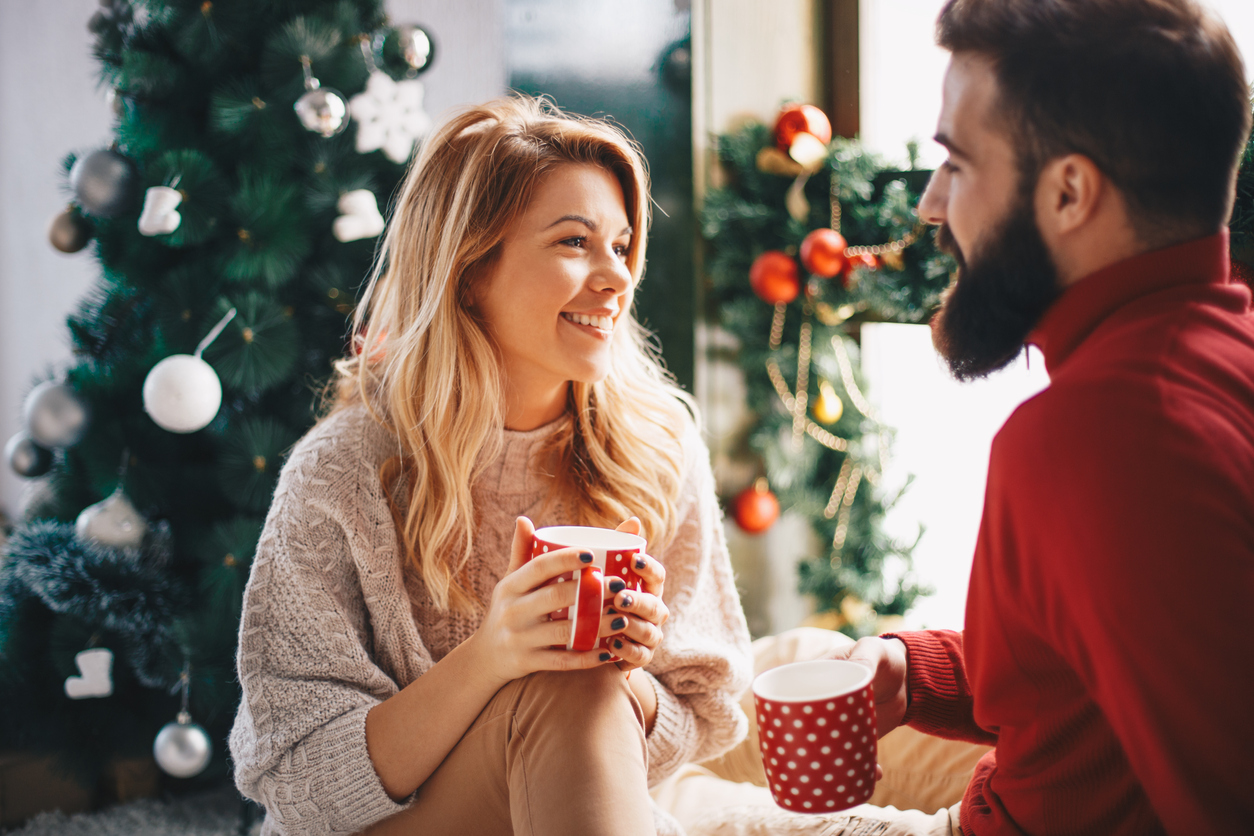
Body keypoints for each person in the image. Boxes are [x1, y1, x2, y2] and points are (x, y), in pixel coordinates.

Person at [664, 1, 1253, 835]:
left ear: (1070, 192)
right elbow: (1107, 652)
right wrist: (918, 672)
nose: (933, 206)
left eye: (958, 164)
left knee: (661, 802)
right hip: (1027, 771)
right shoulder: (1224, 339)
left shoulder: (1103, 435)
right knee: (794, 659)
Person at [228, 95, 753, 836]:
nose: (616, 278)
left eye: (620, 244)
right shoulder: (343, 472)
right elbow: (299, 782)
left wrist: (628, 680)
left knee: (585, 688)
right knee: (568, 687)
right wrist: (494, 656)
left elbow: (705, 714)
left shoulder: (658, 447)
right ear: (471, 270)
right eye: (575, 242)